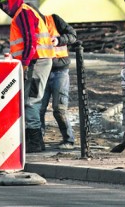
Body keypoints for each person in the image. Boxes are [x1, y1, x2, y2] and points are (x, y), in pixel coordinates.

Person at [0, 0, 55, 153]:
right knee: (30, 100)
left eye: (6, 3)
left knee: (31, 101)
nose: (5, 7)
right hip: (36, 61)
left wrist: (25, 62)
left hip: (37, 61)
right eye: (2, 6)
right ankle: (34, 140)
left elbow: (30, 38)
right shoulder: (22, 13)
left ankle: (35, 142)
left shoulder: (23, 12)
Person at [40, 13, 77, 150]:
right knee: (38, 109)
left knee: (59, 109)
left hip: (59, 70)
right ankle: (38, 140)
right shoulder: (29, 25)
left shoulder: (53, 20)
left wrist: (59, 40)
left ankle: (69, 140)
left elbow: (72, 35)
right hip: (41, 71)